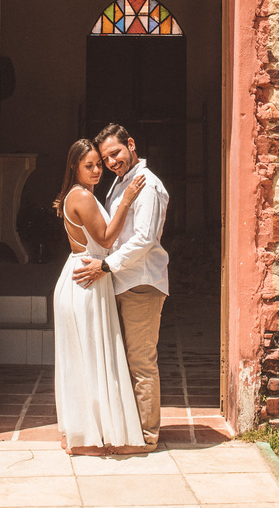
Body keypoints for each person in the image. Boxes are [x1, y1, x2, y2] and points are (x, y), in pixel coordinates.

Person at [72, 124, 170, 451]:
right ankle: (130, 429)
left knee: (141, 361)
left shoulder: (148, 186)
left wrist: (104, 265)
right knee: (124, 360)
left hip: (141, 282)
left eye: (116, 153)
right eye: (105, 158)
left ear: (131, 144)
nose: (111, 161)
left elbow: (143, 240)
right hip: (121, 282)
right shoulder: (119, 183)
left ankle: (147, 438)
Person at [53, 139, 146, 455]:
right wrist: (128, 200)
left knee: (85, 358)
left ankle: (81, 433)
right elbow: (106, 238)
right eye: (88, 165)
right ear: (74, 167)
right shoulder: (81, 196)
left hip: (84, 273)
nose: (96, 171)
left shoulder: (81, 194)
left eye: (97, 164)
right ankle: (86, 440)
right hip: (87, 279)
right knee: (91, 358)